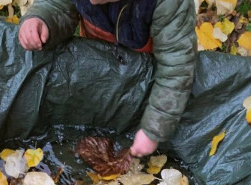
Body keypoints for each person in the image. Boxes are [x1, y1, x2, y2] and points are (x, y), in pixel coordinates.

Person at [17, 0, 197, 157]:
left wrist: (154, 128)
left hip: (144, 68)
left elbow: (177, 66)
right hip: (97, 51)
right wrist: (42, 19)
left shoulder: (169, 4)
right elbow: (57, 5)